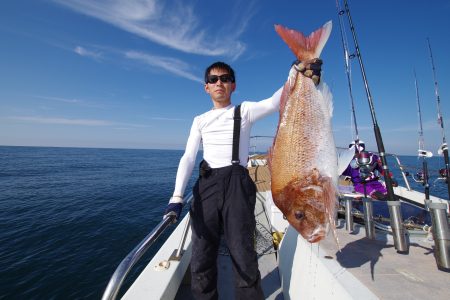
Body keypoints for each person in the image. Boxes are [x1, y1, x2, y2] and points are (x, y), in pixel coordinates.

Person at [163, 60, 321, 299]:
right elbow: (188, 157)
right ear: (206, 87)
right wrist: (176, 197)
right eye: (214, 79)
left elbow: (273, 102)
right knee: (202, 255)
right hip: (207, 185)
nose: (219, 83)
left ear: (233, 85)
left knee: (243, 254)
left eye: (225, 79)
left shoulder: (244, 111)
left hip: (237, 183)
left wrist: (295, 72)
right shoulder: (200, 120)